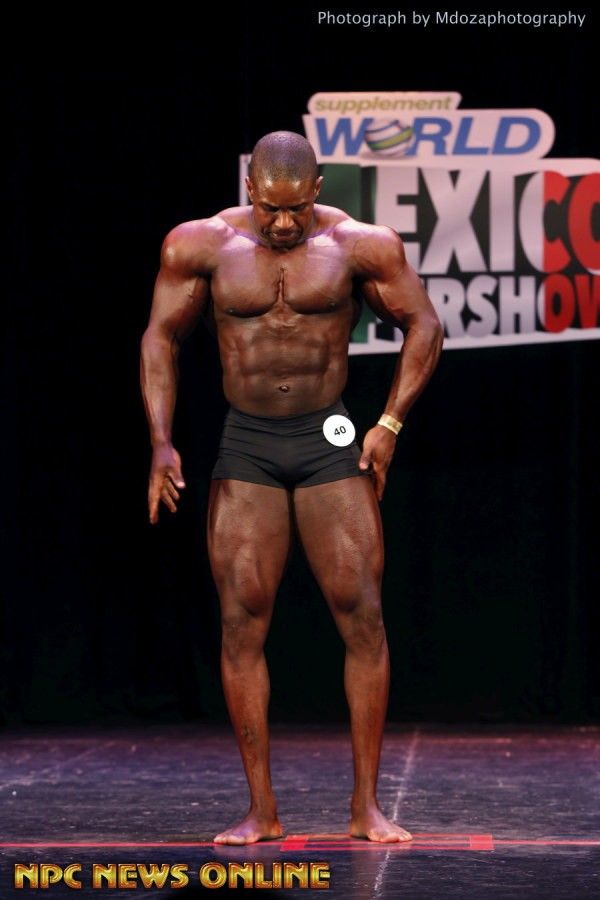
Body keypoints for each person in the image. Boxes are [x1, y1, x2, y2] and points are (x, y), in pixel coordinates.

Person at [140, 131, 443, 845]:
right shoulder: (200, 245)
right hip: (247, 441)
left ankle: (366, 807)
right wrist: (160, 439)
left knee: (363, 615)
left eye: (296, 209)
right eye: (269, 208)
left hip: (327, 436)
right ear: (250, 189)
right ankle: (262, 810)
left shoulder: (360, 246)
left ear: (317, 190)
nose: (282, 223)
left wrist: (389, 424)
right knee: (241, 620)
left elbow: (424, 324)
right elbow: (159, 338)